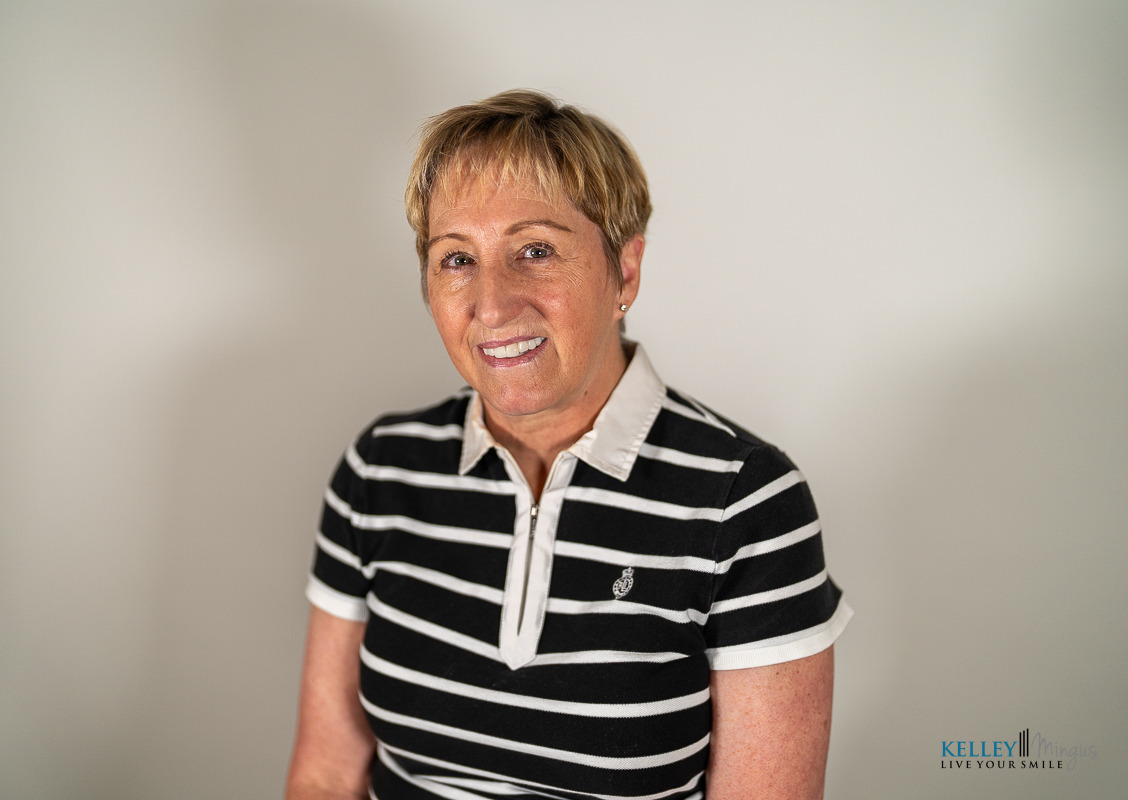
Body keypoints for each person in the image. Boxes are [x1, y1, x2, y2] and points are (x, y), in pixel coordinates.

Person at [286, 89, 852, 800]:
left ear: (625, 271)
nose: (492, 305)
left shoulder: (745, 503)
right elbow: (325, 775)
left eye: (536, 250)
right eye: (456, 259)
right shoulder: (379, 472)